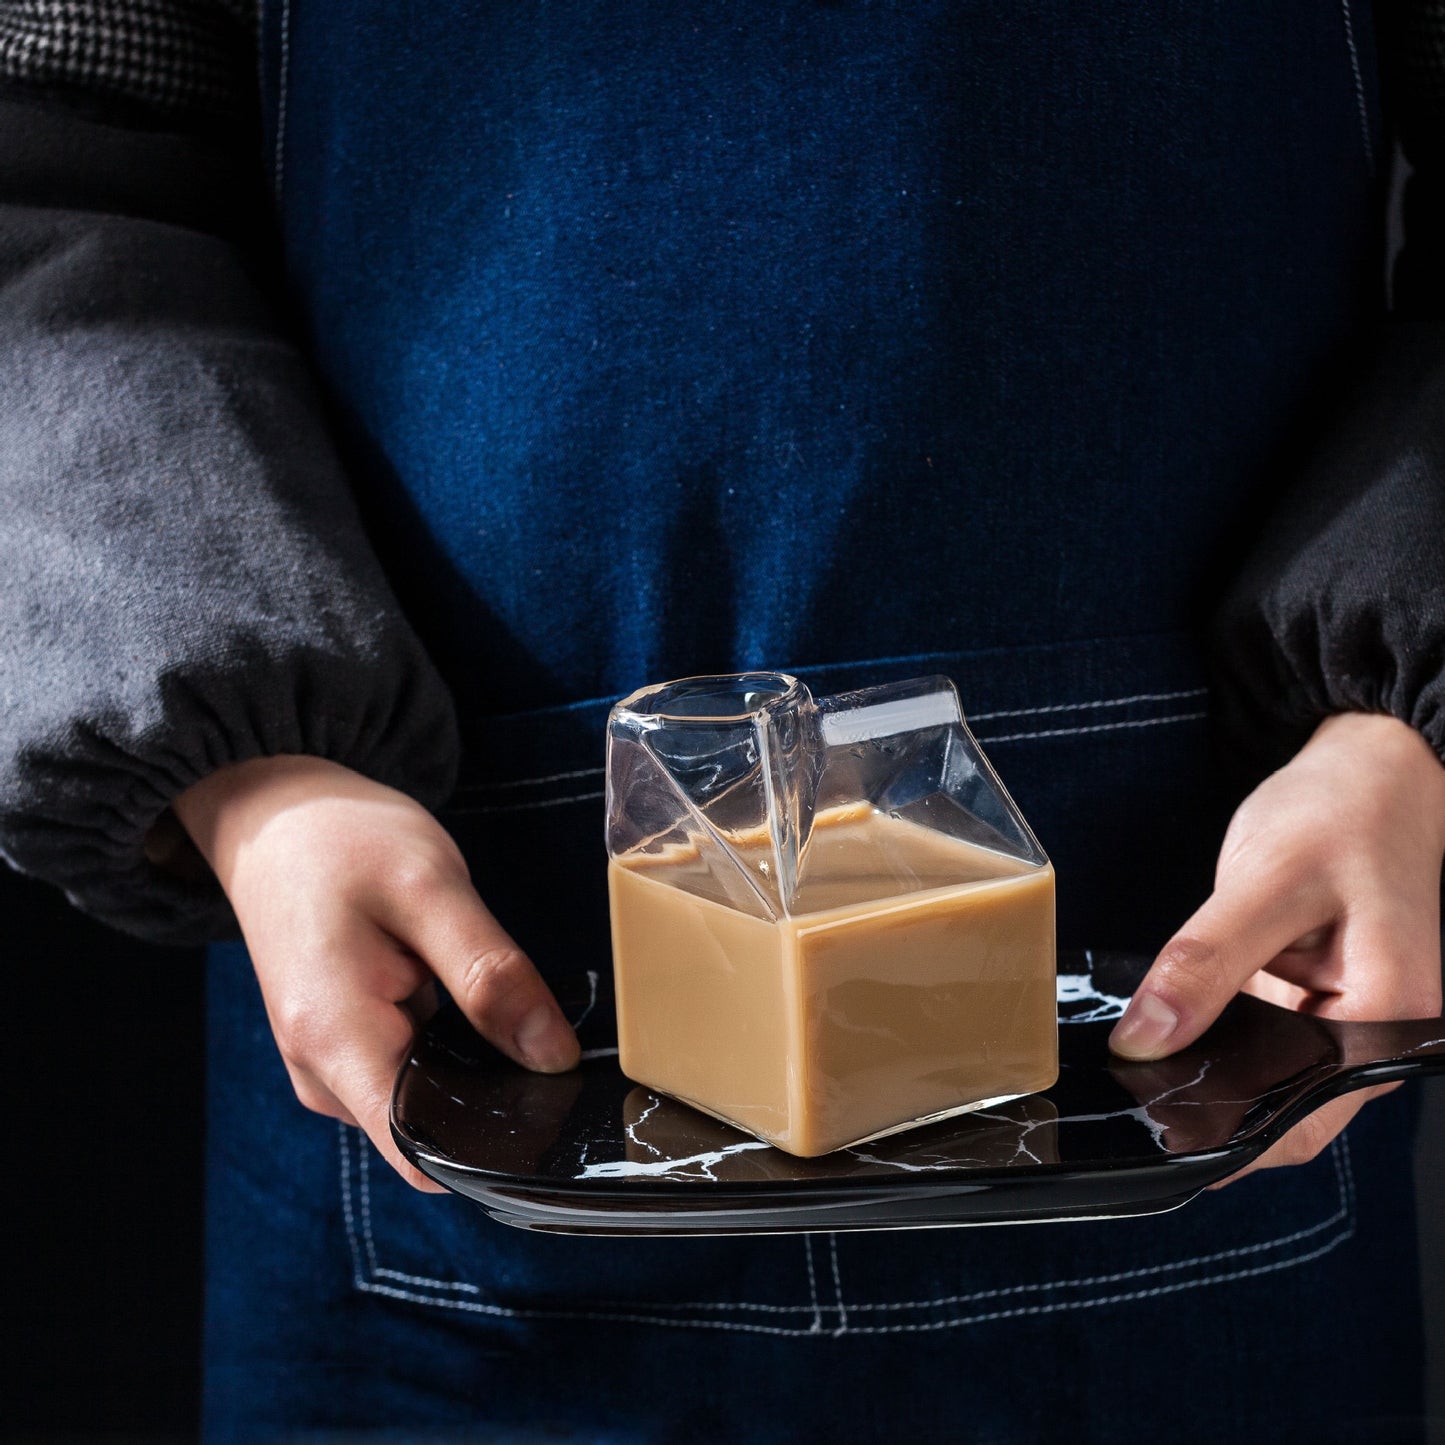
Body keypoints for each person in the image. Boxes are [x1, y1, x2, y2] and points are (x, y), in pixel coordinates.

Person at [2, 1, 1443, 1440]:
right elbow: (51, 164)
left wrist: (1399, 715)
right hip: (447, 1123)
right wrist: (262, 776)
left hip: (1216, 1062)